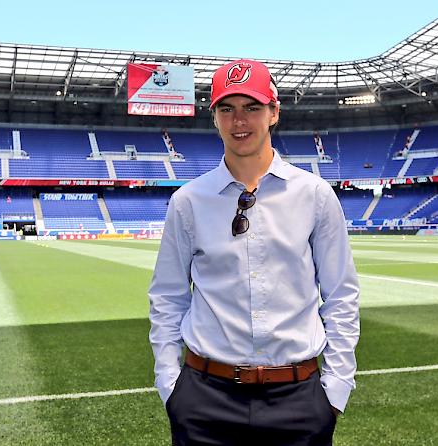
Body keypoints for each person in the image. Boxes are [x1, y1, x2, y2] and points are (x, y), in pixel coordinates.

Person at [149, 59, 360, 445]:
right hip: (203, 399)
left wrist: (335, 390)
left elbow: (341, 295)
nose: (238, 121)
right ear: (214, 118)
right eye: (226, 109)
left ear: (274, 112)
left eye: (252, 107)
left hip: (299, 400)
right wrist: (170, 385)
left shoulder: (314, 195)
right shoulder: (187, 202)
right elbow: (168, 297)